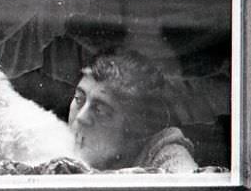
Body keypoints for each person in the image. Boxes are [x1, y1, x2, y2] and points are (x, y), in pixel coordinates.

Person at [68, 49, 199, 172]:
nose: (81, 117)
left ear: (135, 128)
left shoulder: (164, 152)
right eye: (79, 99)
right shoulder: (54, 141)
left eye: (99, 110)